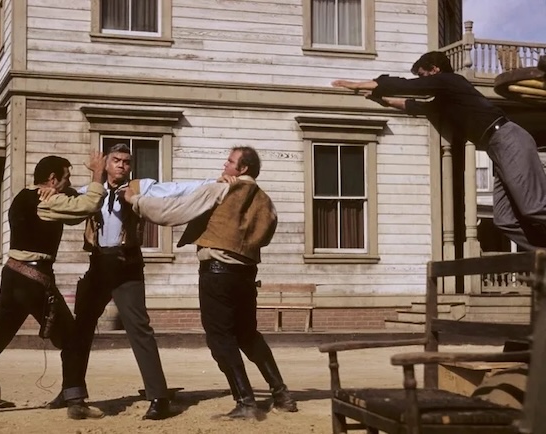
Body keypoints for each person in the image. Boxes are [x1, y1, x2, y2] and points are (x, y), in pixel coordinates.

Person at [123, 146, 298, 420]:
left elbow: (171, 211)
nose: (224, 165)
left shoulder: (221, 189)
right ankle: (282, 394)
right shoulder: (266, 200)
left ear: (242, 169)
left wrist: (135, 200)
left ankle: (246, 402)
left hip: (217, 272)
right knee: (248, 335)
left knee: (220, 339)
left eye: (230, 162)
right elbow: (265, 233)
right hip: (246, 274)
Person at [47, 143, 218, 420]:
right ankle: (72, 390)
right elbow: (63, 200)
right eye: (116, 160)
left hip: (127, 264)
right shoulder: (90, 189)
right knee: (81, 328)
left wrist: (215, 183)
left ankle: (159, 397)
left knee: (139, 328)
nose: (122, 165)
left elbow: (177, 188)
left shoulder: (141, 187)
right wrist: (47, 190)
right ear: (105, 163)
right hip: (98, 264)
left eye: (126, 162)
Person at [0, 152, 107, 416]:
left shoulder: (23, 197)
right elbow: (87, 207)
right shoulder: (49, 201)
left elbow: (73, 211)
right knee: (73, 339)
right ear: (53, 179)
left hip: (12, 277)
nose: (68, 182)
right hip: (35, 281)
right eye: (65, 178)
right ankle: (75, 401)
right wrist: (98, 174)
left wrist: (68, 193)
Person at [332, 50, 546, 251]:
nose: (424, 81)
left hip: (508, 138)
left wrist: (358, 84)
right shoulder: (446, 101)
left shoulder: (450, 81)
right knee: (504, 220)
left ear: (435, 69)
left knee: (532, 207)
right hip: (496, 148)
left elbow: (407, 87)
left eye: (424, 75)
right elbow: (413, 105)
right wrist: (382, 99)